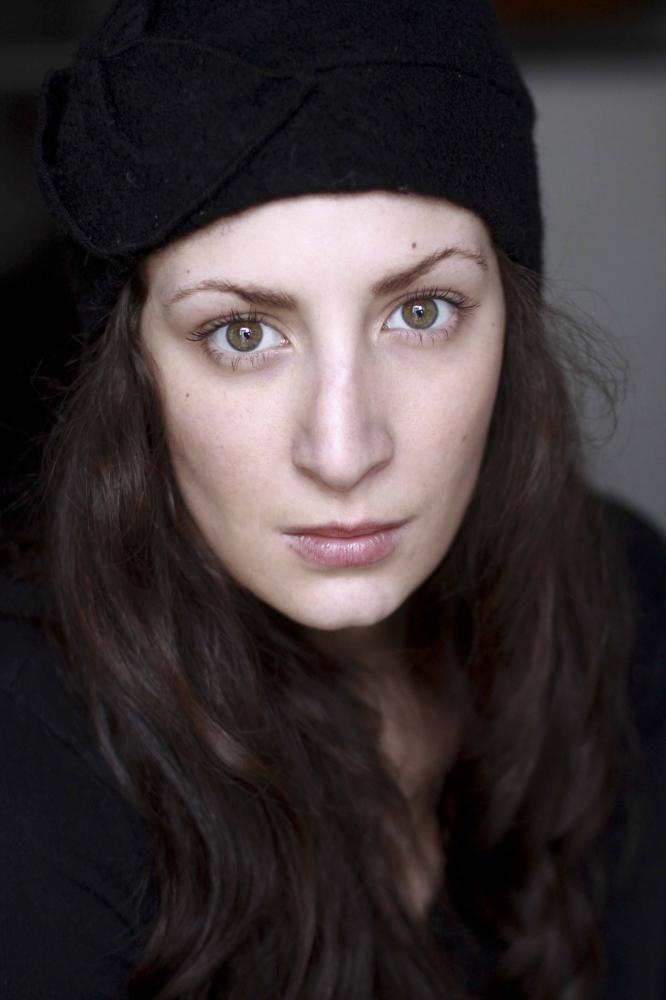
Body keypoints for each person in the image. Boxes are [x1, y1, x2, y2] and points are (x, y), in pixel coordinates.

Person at [1, 0, 664, 998]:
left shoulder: (626, 600)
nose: (345, 452)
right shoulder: (31, 752)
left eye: (423, 311)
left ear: (510, 324)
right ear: (135, 371)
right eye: (243, 333)